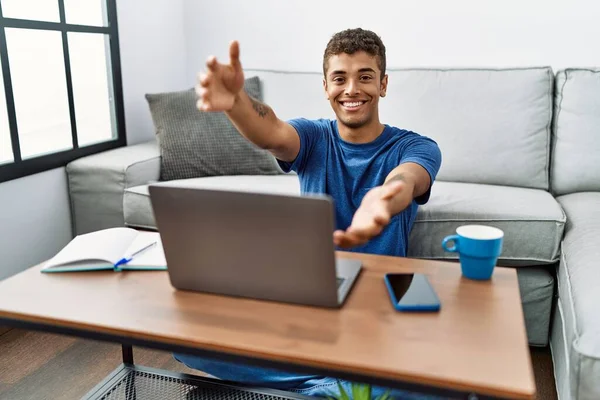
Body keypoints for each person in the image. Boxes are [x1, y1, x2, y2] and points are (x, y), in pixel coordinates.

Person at [176, 28, 442, 399]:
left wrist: (381, 200)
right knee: (185, 341)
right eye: (340, 78)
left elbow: (406, 179)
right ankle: (335, 387)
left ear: (383, 84)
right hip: (314, 292)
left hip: (380, 296)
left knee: (443, 384)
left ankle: (318, 384)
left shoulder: (416, 146)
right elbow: (271, 132)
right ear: (325, 86)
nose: (351, 89)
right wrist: (236, 101)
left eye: (365, 76)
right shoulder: (313, 137)